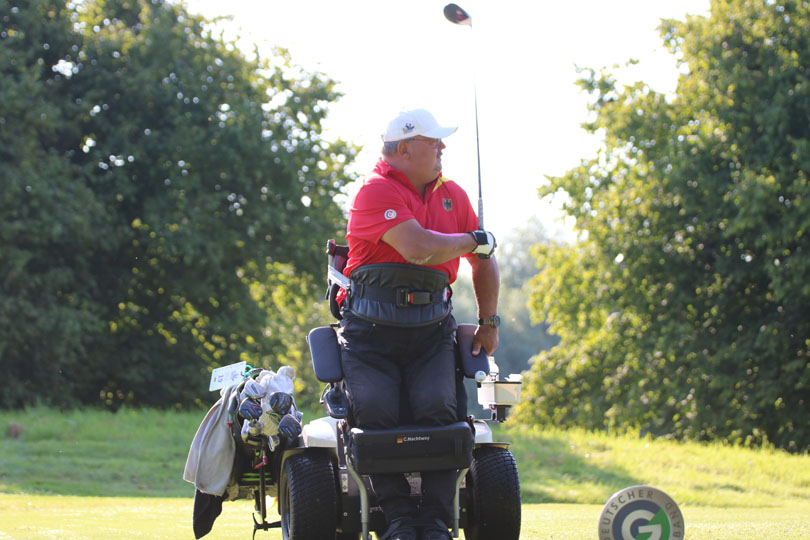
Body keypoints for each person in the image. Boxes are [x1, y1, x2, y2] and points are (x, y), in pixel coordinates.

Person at [337, 108, 500, 540]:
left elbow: (486, 263)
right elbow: (418, 248)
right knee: (373, 412)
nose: (443, 147)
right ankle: (396, 519)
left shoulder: (454, 196)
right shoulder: (374, 190)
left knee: (441, 413)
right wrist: (473, 241)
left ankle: (433, 520)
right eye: (434, 141)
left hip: (431, 333)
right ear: (404, 149)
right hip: (369, 336)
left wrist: (489, 320)